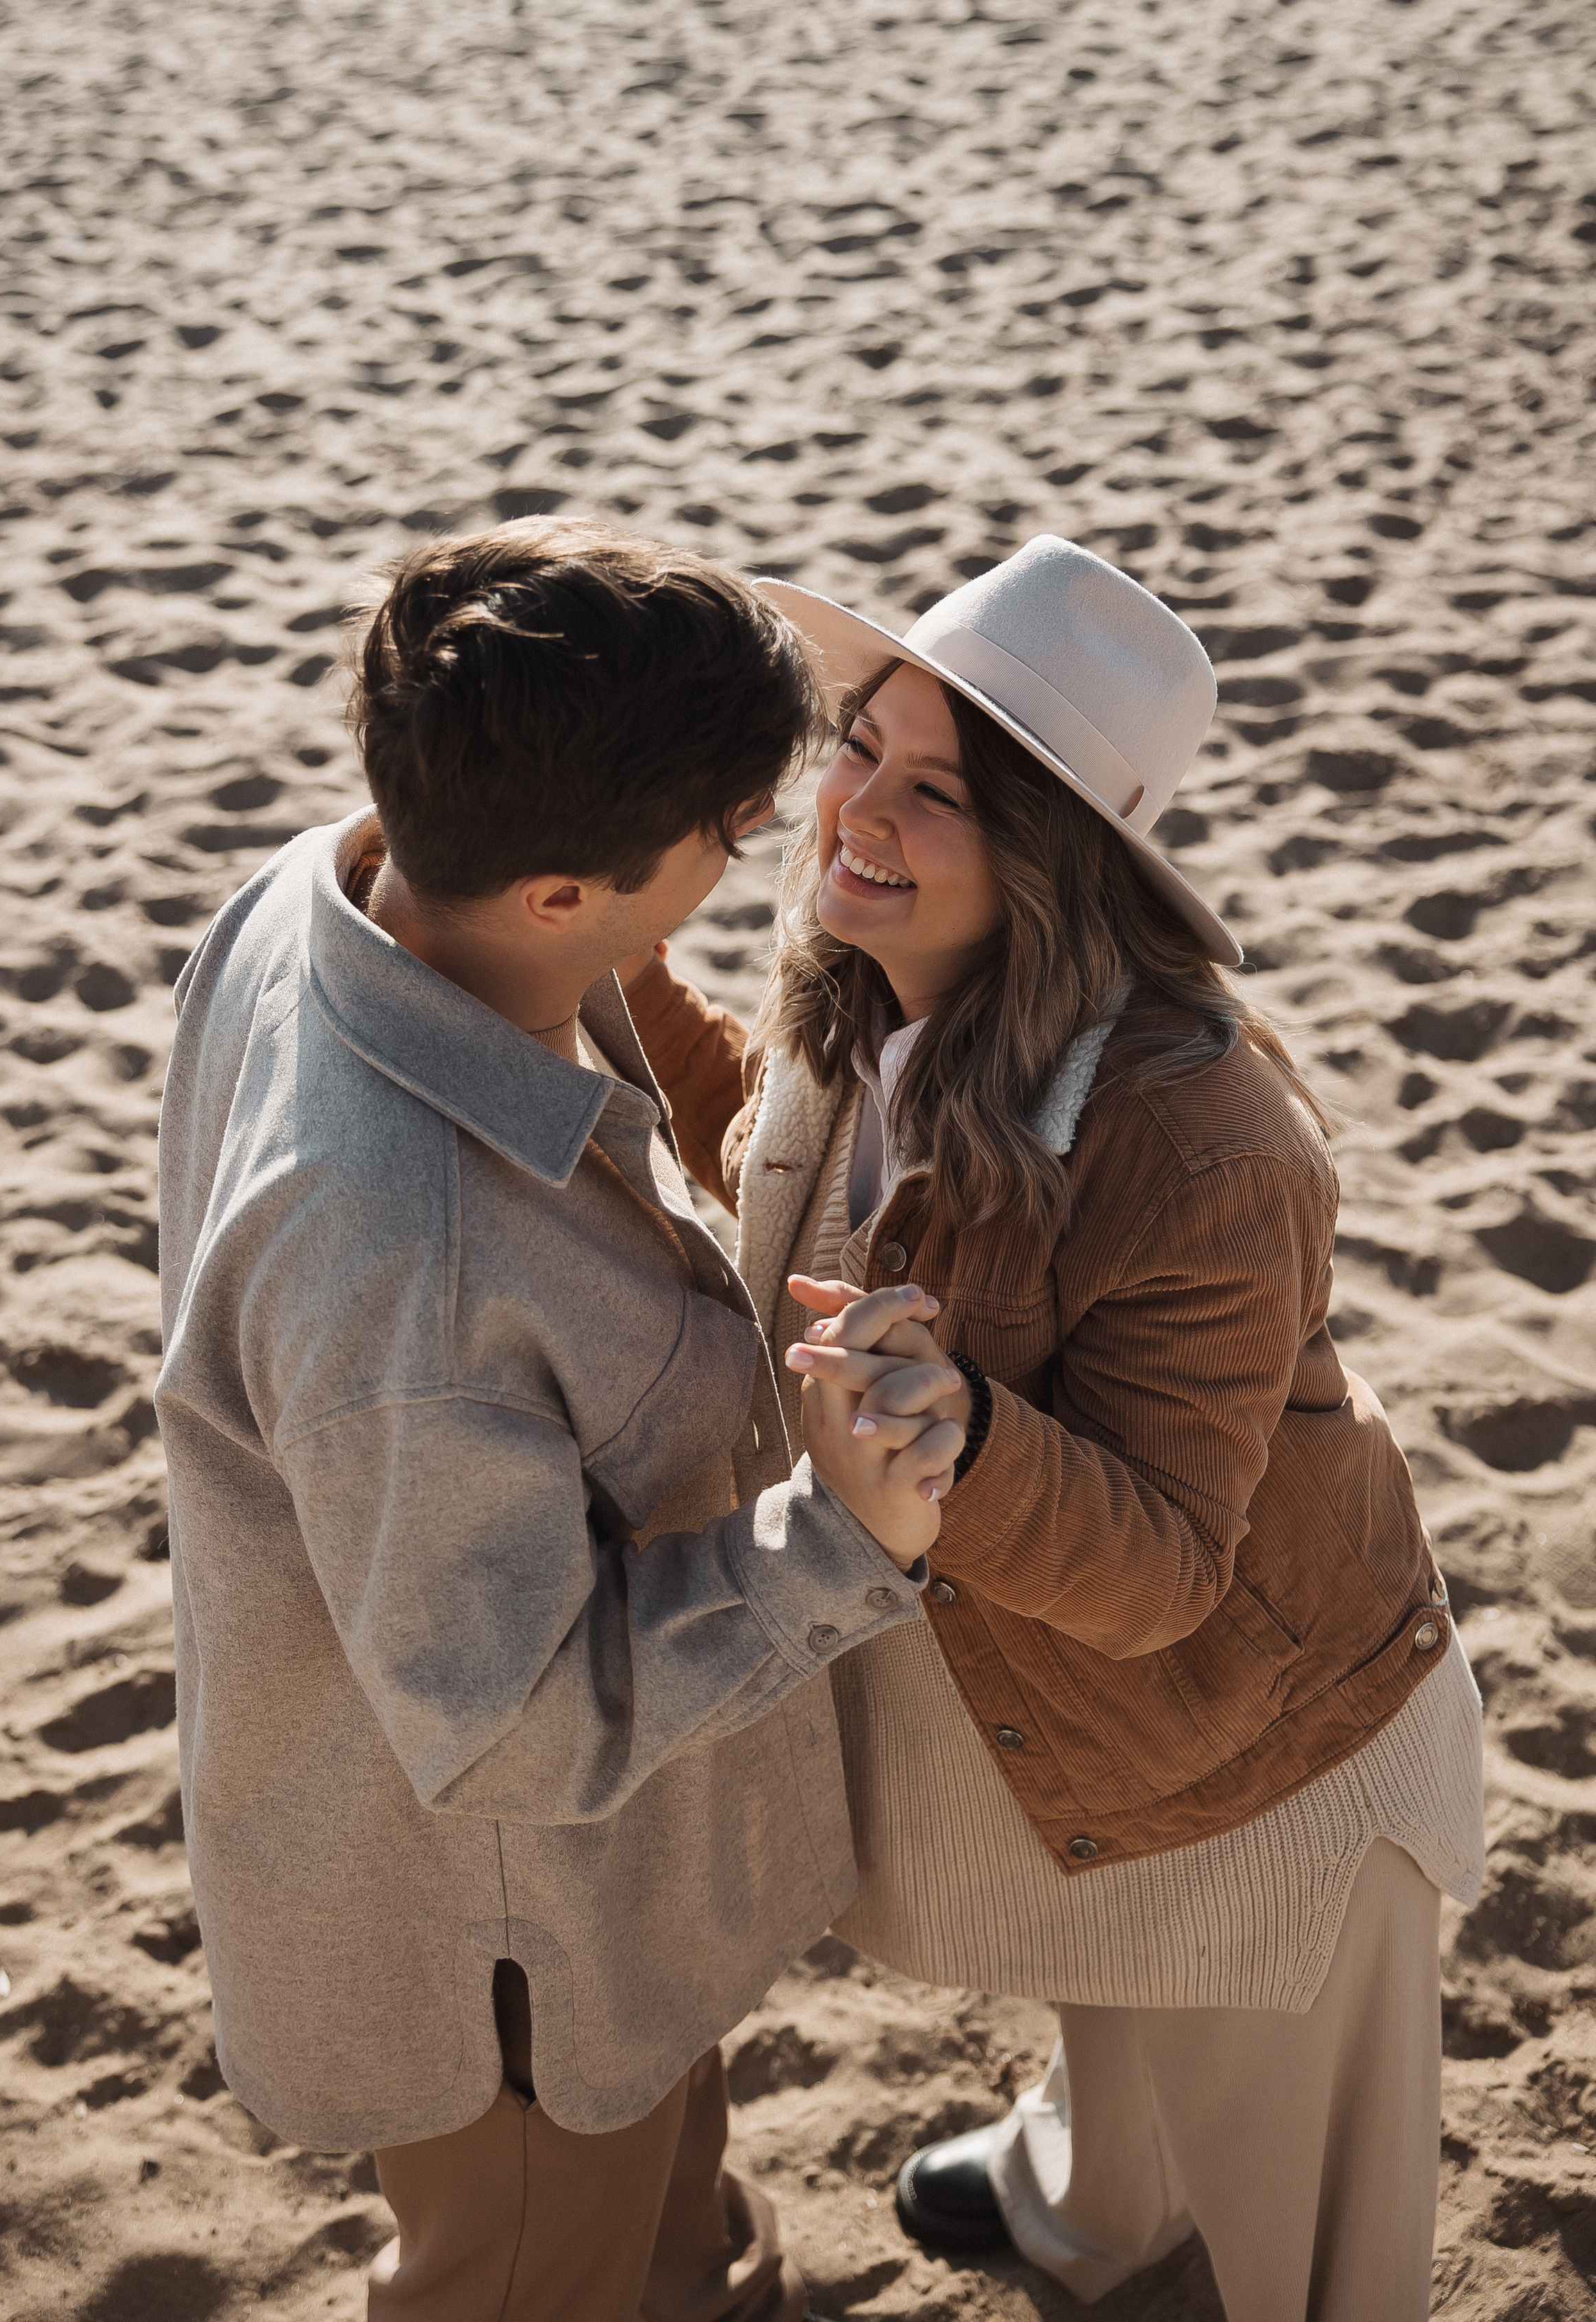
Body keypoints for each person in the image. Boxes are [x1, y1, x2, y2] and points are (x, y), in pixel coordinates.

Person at [623, 533, 1485, 2322]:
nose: (856, 805)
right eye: (862, 740)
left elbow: (1170, 1565)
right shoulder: (866, 989)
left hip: (1268, 1760)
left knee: (1316, 2250)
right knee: (1105, 1992)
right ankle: (1091, 2215)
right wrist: (619, 958)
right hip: (1076, 1738)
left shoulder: (1204, 1140)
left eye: (935, 790)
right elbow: (779, 1181)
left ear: (1053, 860)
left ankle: (1136, 2220)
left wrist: (973, 1435)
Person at [154, 518, 964, 2322]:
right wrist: (840, 1540)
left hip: (589, 1907)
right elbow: (510, 1732)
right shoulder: (408, 1273)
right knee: (535, 2274)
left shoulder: (343, 885)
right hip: (500, 1953)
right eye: (729, 835)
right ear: (554, 896)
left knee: (669, 2219)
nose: (772, 846)